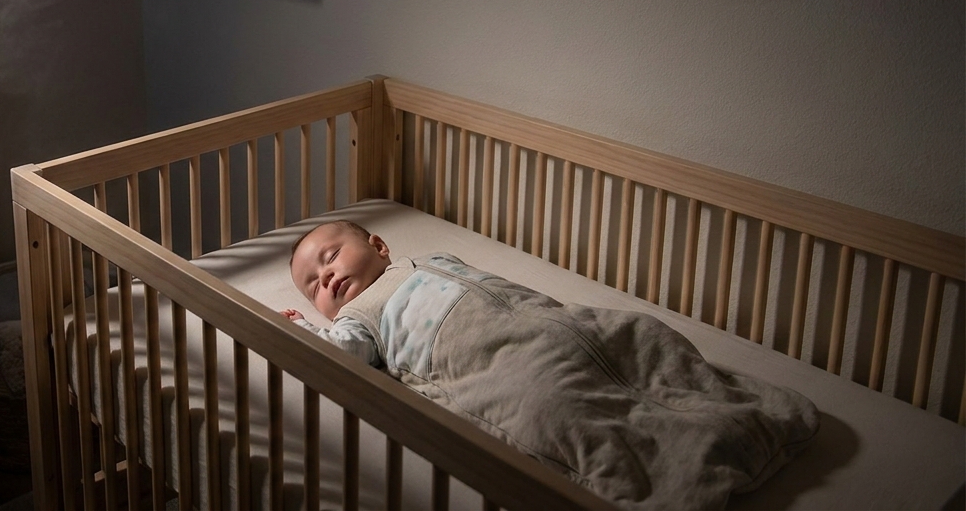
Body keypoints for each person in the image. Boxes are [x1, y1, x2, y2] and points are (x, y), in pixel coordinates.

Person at [282, 219, 820, 511]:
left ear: (378, 244)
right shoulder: (356, 318)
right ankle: (669, 477)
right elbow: (339, 355)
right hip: (493, 362)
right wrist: (303, 330)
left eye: (329, 258)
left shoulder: (430, 260)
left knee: (642, 336)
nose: (324, 280)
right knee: (552, 406)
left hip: (549, 323)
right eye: (314, 287)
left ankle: (735, 419)